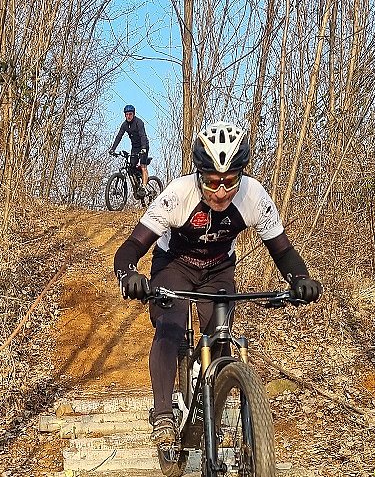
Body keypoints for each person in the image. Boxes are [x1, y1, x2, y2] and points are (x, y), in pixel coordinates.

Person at [113, 121, 322, 448]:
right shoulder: (178, 194)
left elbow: (282, 251)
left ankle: (208, 408)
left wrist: (300, 279)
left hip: (218, 270)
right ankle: (164, 413)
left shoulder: (254, 196)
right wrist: (129, 275)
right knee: (170, 326)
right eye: (212, 182)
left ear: (241, 175)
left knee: (220, 338)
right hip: (174, 265)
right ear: (199, 175)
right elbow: (132, 247)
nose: (221, 192)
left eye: (229, 181)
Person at [109, 104, 150, 195]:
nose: (128, 116)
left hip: (144, 145)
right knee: (131, 166)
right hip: (135, 147)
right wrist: (113, 149)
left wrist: (143, 148)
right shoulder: (124, 125)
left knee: (143, 166)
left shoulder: (139, 122)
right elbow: (119, 136)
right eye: (126, 114)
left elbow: (143, 136)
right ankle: (137, 183)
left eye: (130, 114)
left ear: (133, 114)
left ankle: (144, 186)